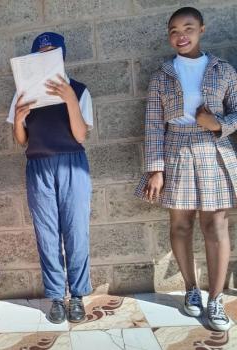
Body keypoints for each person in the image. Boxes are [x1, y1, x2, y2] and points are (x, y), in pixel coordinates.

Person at [135, 7, 236, 331]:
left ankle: (215, 299)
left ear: (201, 30)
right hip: (175, 148)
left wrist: (216, 123)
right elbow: (153, 125)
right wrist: (155, 169)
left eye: (188, 28)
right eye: (174, 30)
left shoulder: (223, 70)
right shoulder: (162, 74)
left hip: (213, 149)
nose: (181, 35)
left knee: (216, 226)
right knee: (180, 224)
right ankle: (191, 290)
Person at [7, 32, 93, 324]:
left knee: (76, 231)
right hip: (38, 166)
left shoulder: (79, 90)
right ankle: (56, 296)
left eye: (52, 52)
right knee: (46, 234)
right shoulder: (24, 92)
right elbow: (21, 140)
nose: (46, 57)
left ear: (62, 55)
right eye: (41, 53)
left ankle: (78, 295)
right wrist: (19, 119)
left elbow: (81, 135)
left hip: (73, 165)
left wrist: (69, 99)